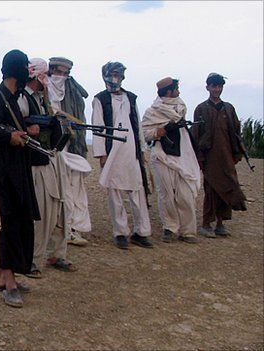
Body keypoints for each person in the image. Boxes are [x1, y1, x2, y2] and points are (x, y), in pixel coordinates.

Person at [0, 50, 40, 308]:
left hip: (20, 166)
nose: (29, 71)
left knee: (20, 219)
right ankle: (10, 281)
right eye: (26, 66)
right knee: (11, 220)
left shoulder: (14, 98)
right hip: (4, 169)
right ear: (16, 69)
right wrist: (10, 137)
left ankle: (4, 276)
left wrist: (25, 132)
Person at [17, 58, 76, 279]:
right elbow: (18, 126)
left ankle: (57, 253)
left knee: (61, 207)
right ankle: (32, 259)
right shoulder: (22, 99)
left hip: (53, 158)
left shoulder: (44, 99)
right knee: (43, 212)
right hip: (36, 162)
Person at [91, 61, 153, 250]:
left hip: (132, 152)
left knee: (137, 191)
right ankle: (120, 233)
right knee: (115, 192)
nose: (115, 78)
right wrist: (101, 153)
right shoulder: (100, 99)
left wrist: (142, 149)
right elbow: (98, 127)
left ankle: (141, 232)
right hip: (112, 152)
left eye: (118, 74)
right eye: (112, 74)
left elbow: (137, 126)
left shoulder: (131, 98)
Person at [141, 77, 201, 244]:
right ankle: (170, 228)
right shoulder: (152, 112)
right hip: (161, 155)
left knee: (185, 194)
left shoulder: (180, 107)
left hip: (183, 155)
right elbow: (144, 133)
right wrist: (159, 131)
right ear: (168, 91)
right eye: (176, 88)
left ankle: (188, 231)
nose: (178, 91)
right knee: (166, 194)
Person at [192, 73, 247, 238]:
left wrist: (237, 152)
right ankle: (206, 223)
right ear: (207, 87)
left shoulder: (229, 108)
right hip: (209, 157)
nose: (217, 89)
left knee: (227, 187)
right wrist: (199, 157)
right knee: (211, 189)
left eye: (219, 86)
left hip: (226, 156)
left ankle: (221, 223)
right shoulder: (201, 108)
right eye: (214, 86)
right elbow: (196, 135)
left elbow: (236, 132)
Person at [47, 57, 92, 247]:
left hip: (72, 146)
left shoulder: (72, 93)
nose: (62, 77)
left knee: (75, 186)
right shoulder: (43, 89)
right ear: (51, 71)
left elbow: (79, 117)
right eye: (59, 72)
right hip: (52, 148)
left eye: (66, 74)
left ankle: (73, 228)